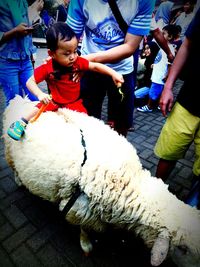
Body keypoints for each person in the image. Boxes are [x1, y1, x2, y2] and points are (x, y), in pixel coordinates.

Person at [7, 22, 124, 141]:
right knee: (38, 108)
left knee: (85, 126)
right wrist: (40, 94)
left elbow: (95, 66)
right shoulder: (47, 68)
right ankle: (21, 123)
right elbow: (30, 82)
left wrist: (113, 73)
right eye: (67, 53)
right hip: (55, 102)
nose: (73, 56)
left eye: (75, 51)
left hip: (75, 103)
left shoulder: (77, 62)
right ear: (51, 54)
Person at [66, 0, 156, 137]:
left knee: (121, 124)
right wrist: (60, 57)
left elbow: (130, 47)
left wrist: (85, 61)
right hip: (89, 68)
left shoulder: (144, 1)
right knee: (86, 120)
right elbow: (69, 39)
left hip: (121, 68)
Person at [154, 8, 200, 207]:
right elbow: (187, 45)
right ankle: (154, 194)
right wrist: (168, 86)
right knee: (168, 152)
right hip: (189, 99)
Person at [0, 0, 44, 106]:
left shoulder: (22, 2)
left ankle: (32, 122)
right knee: (14, 102)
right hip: (6, 61)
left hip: (25, 59)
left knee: (36, 98)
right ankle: (15, 123)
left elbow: (26, 25)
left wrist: (35, 12)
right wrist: (15, 31)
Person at [137, 24, 176, 112]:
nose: (161, 35)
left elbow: (170, 65)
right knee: (158, 90)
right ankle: (160, 104)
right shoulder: (163, 47)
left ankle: (149, 106)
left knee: (153, 92)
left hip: (160, 76)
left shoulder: (170, 49)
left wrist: (167, 75)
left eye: (164, 34)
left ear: (170, 37)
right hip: (157, 74)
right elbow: (162, 60)